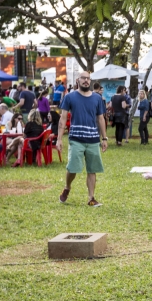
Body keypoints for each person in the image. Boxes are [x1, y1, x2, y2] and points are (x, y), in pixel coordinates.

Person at [57, 71, 108, 207]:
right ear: (77, 80)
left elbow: (100, 118)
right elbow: (63, 118)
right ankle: (67, 187)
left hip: (93, 139)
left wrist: (104, 138)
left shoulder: (97, 98)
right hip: (76, 139)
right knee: (73, 168)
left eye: (88, 78)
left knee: (92, 169)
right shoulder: (70, 97)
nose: (86, 80)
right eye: (83, 78)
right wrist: (59, 139)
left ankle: (91, 198)